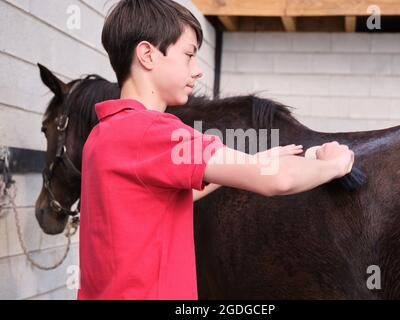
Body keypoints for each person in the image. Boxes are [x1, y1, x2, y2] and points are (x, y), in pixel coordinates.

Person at [77, 0, 355, 300]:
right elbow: (278, 180)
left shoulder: (102, 134)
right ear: (147, 55)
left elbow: (161, 198)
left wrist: (251, 162)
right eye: (188, 55)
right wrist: (335, 164)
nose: (197, 71)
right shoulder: (155, 133)